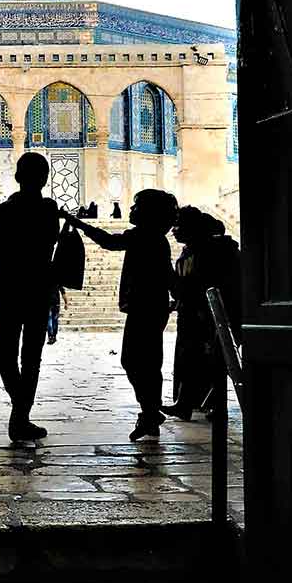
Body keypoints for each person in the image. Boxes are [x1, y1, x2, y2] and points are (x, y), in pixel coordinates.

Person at [65, 189, 178, 441]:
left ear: (148, 213)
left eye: (136, 207)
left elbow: (109, 242)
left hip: (144, 308)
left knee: (136, 361)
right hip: (152, 307)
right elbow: (169, 275)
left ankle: (150, 412)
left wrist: (77, 223)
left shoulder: (143, 236)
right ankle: (150, 411)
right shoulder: (156, 238)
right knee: (147, 362)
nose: (131, 210)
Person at [0, 152, 60, 442]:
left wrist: (10, 264)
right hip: (38, 290)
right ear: (45, 178)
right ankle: (21, 414)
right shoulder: (49, 210)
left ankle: (20, 414)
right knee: (31, 358)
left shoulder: (4, 211)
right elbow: (50, 243)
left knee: (7, 355)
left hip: (12, 290)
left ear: (17, 176)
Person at [164, 209, 242, 420]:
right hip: (192, 315)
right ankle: (191, 403)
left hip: (208, 317)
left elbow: (207, 286)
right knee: (194, 360)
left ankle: (202, 403)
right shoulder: (191, 251)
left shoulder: (210, 252)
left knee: (211, 360)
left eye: (178, 225)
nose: (173, 230)